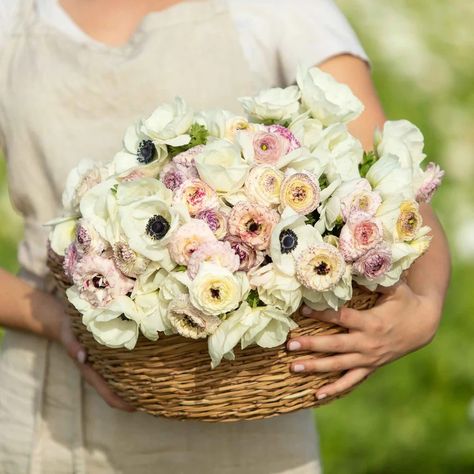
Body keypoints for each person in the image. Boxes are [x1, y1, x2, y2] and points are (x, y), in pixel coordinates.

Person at [0, 0, 450, 472]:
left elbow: (394, 186)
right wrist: (55, 321)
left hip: (251, 413)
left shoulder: (279, 10)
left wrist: (425, 309)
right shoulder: (14, 16)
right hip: (52, 419)